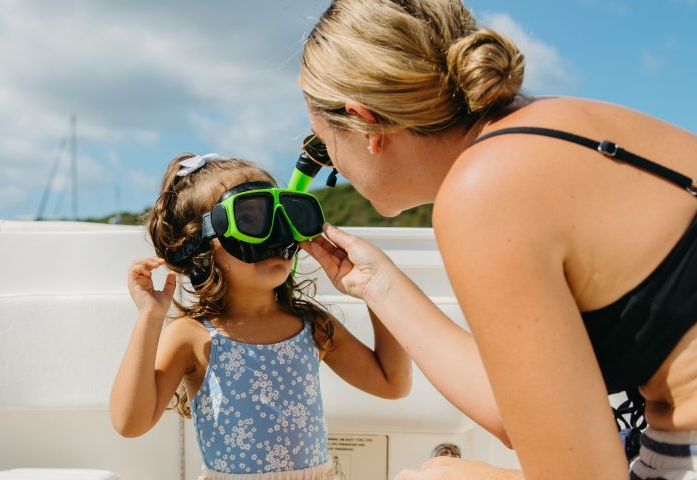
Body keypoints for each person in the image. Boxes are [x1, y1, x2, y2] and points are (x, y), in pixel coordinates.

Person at [296, 1, 697, 479]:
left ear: (367, 124)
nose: (332, 168)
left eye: (322, 146)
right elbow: (528, 413)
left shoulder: (484, 190)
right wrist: (376, 282)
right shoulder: (554, 123)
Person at [109, 153, 411, 480]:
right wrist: (150, 317)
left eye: (286, 216)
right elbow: (130, 423)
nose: (278, 233)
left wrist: (374, 289)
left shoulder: (312, 325)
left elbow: (391, 383)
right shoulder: (192, 335)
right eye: (252, 219)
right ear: (201, 245)